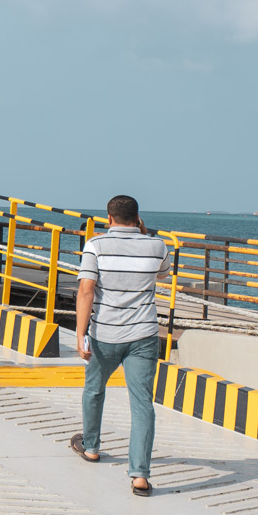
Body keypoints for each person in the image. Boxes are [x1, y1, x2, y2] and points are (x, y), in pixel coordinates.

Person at [72, 194, 172, 496]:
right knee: (142, 403)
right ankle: (140, 475)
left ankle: (91, 447)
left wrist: (80, 333)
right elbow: (162, 275)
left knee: (94, 389)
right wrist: (143, 237)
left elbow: (86, 291)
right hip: (143, 335)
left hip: (106, 334)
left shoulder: (96, 245)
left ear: (109, 218)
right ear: (138, 218)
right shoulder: (157, 246)